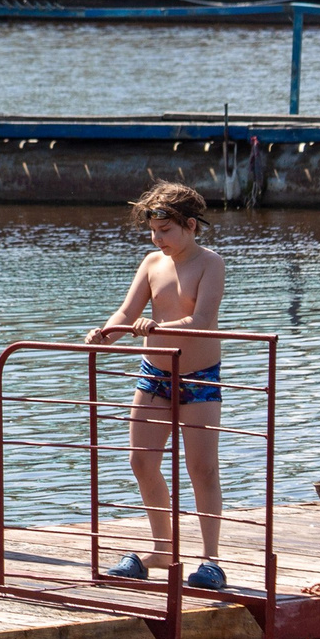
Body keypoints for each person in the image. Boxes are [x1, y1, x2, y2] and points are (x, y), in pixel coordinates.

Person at [85, 180, 227, 590]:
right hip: (155, 376)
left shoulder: (210, 263)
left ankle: (211, 560)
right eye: (153, 231)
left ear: (190, 226)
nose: (157, 238)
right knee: (141, 461)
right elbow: (127, 311)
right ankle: (163, 548)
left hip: (199, 379)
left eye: (165, 231)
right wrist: (106, 333)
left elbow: (201, 322)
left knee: (202, 468)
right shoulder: (151, 263)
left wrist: (156, 326)